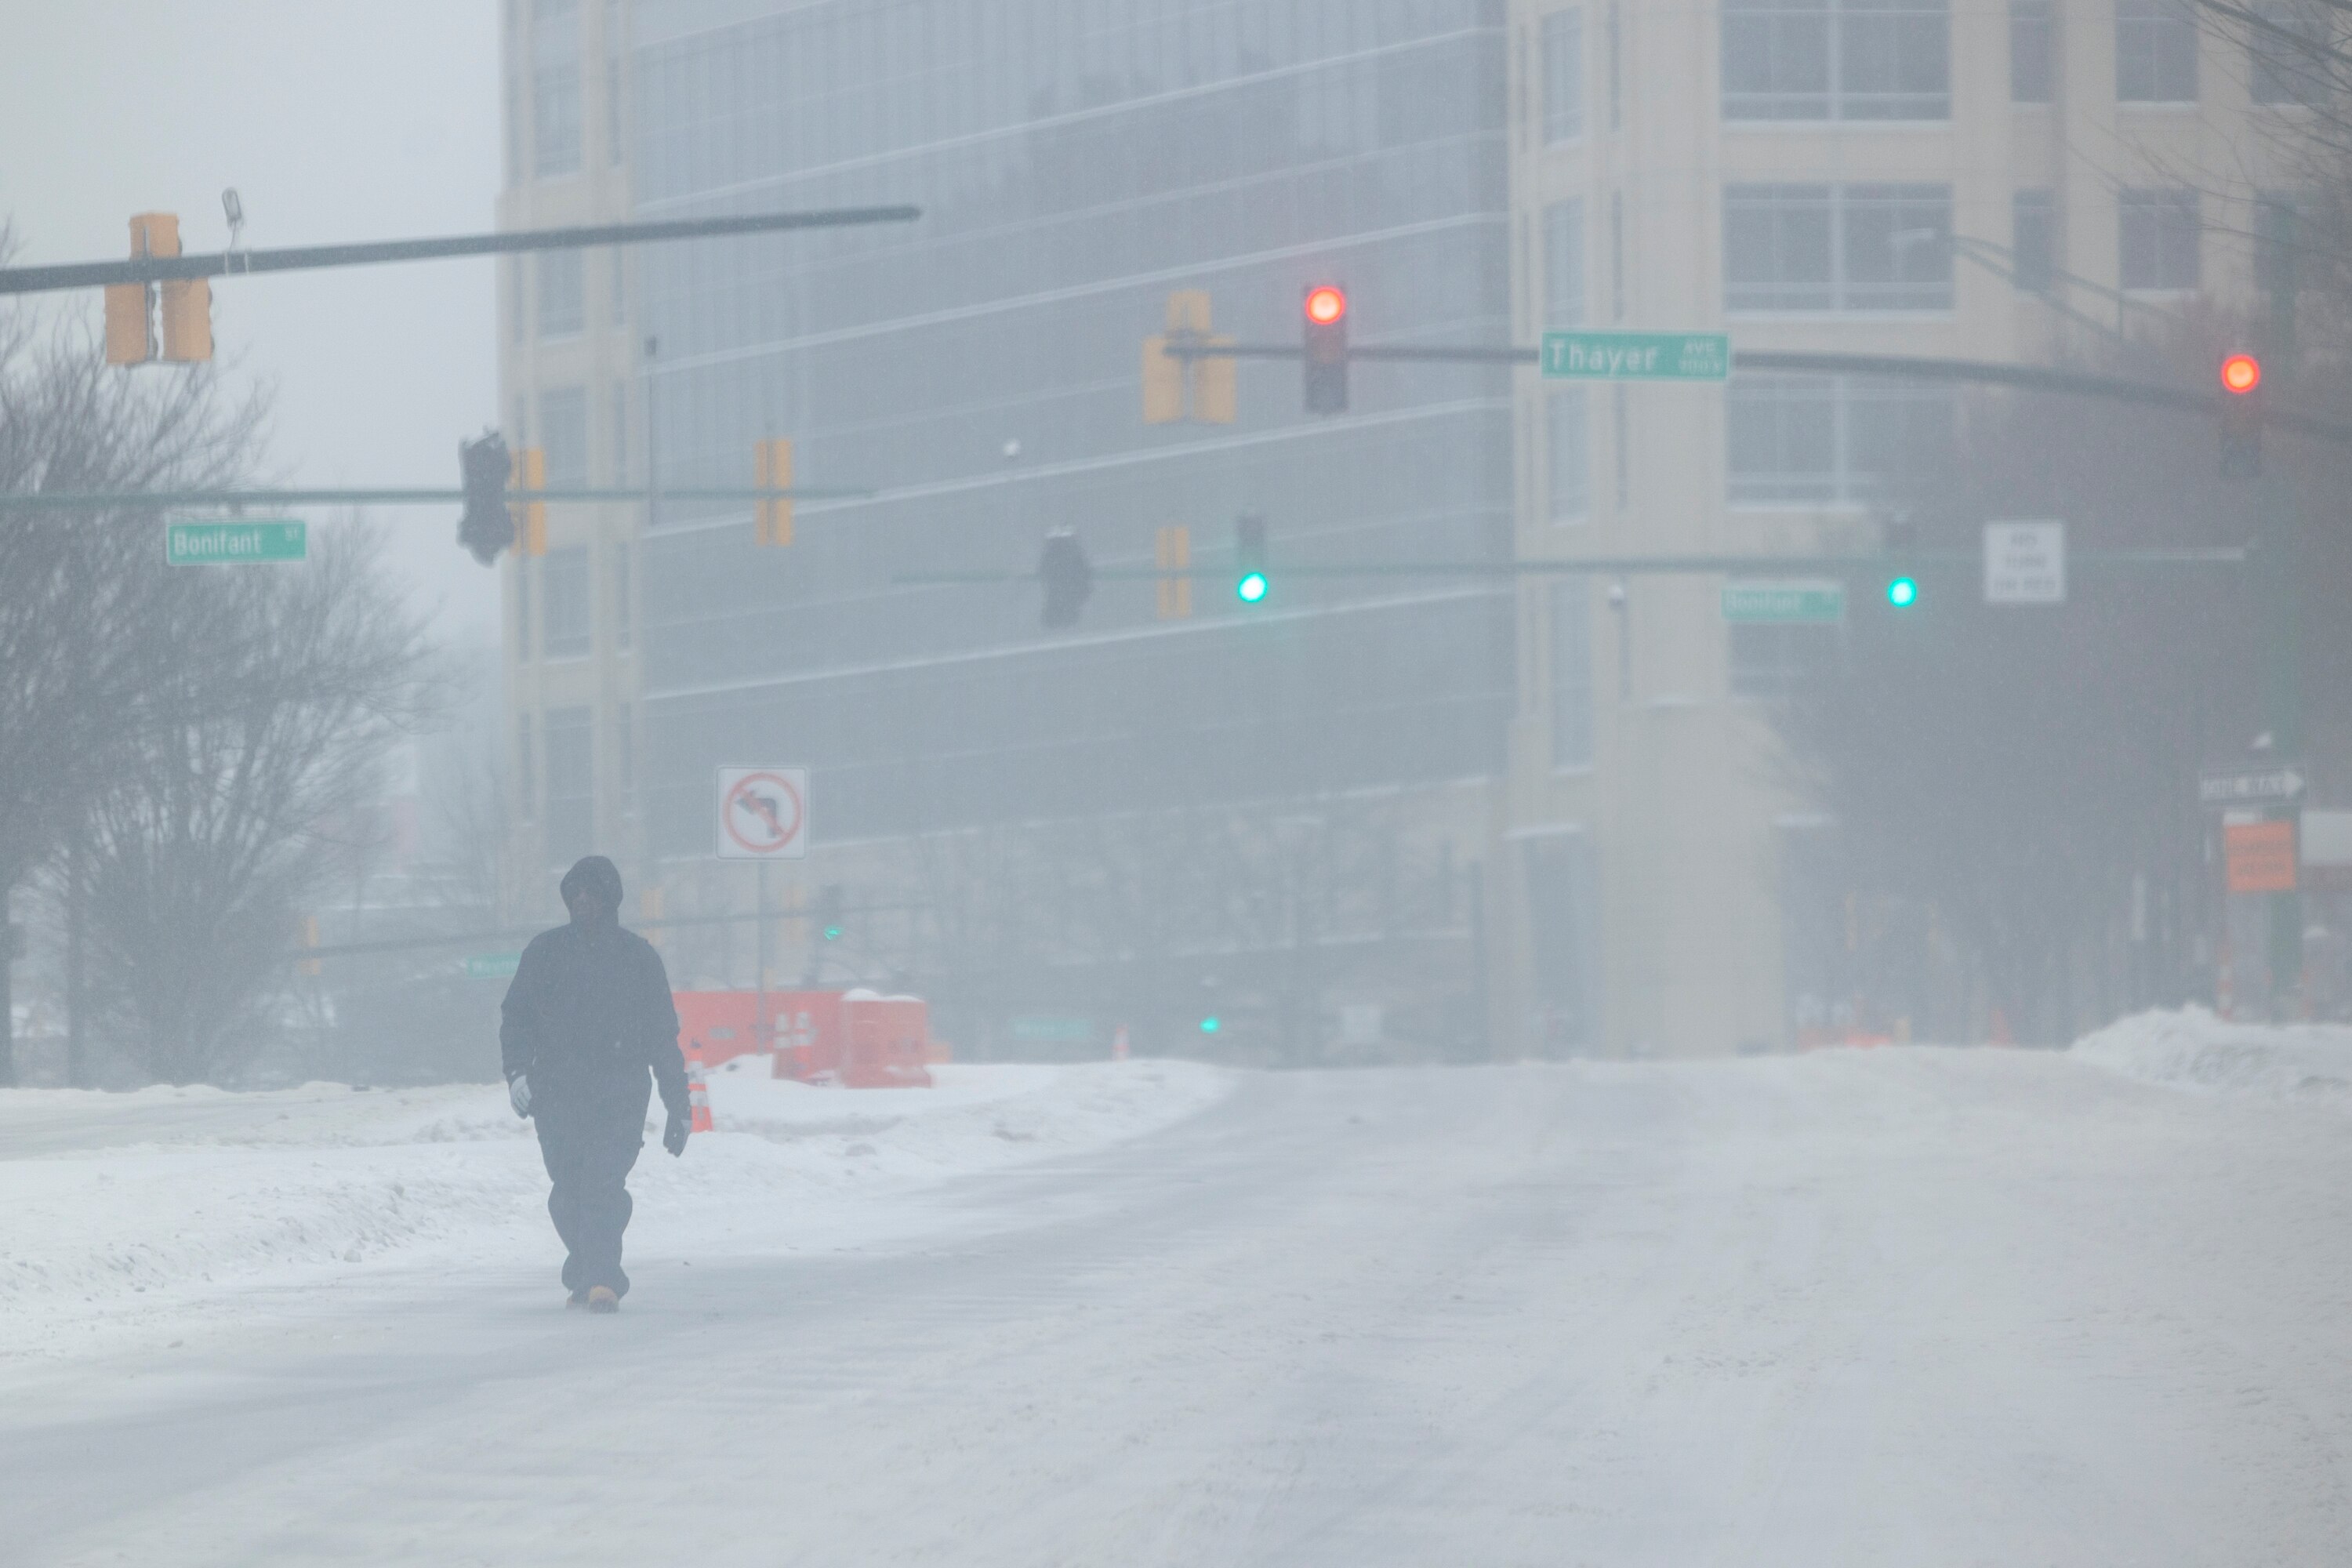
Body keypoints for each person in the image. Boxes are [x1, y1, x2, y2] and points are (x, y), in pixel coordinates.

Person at [500, 855, 690, 1313]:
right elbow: (516, 1019)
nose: (583, 901)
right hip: (557, 1094)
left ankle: (603, 1280)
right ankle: (586, 1270)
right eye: (576, 893)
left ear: (610, 899)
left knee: (602, 1184)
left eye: (593, 893)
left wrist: (677, 1103)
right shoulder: (543, 953)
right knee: (567, 1191)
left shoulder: (638, 958)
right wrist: (517, 1073)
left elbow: (663, 1037)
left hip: (619, 1095)